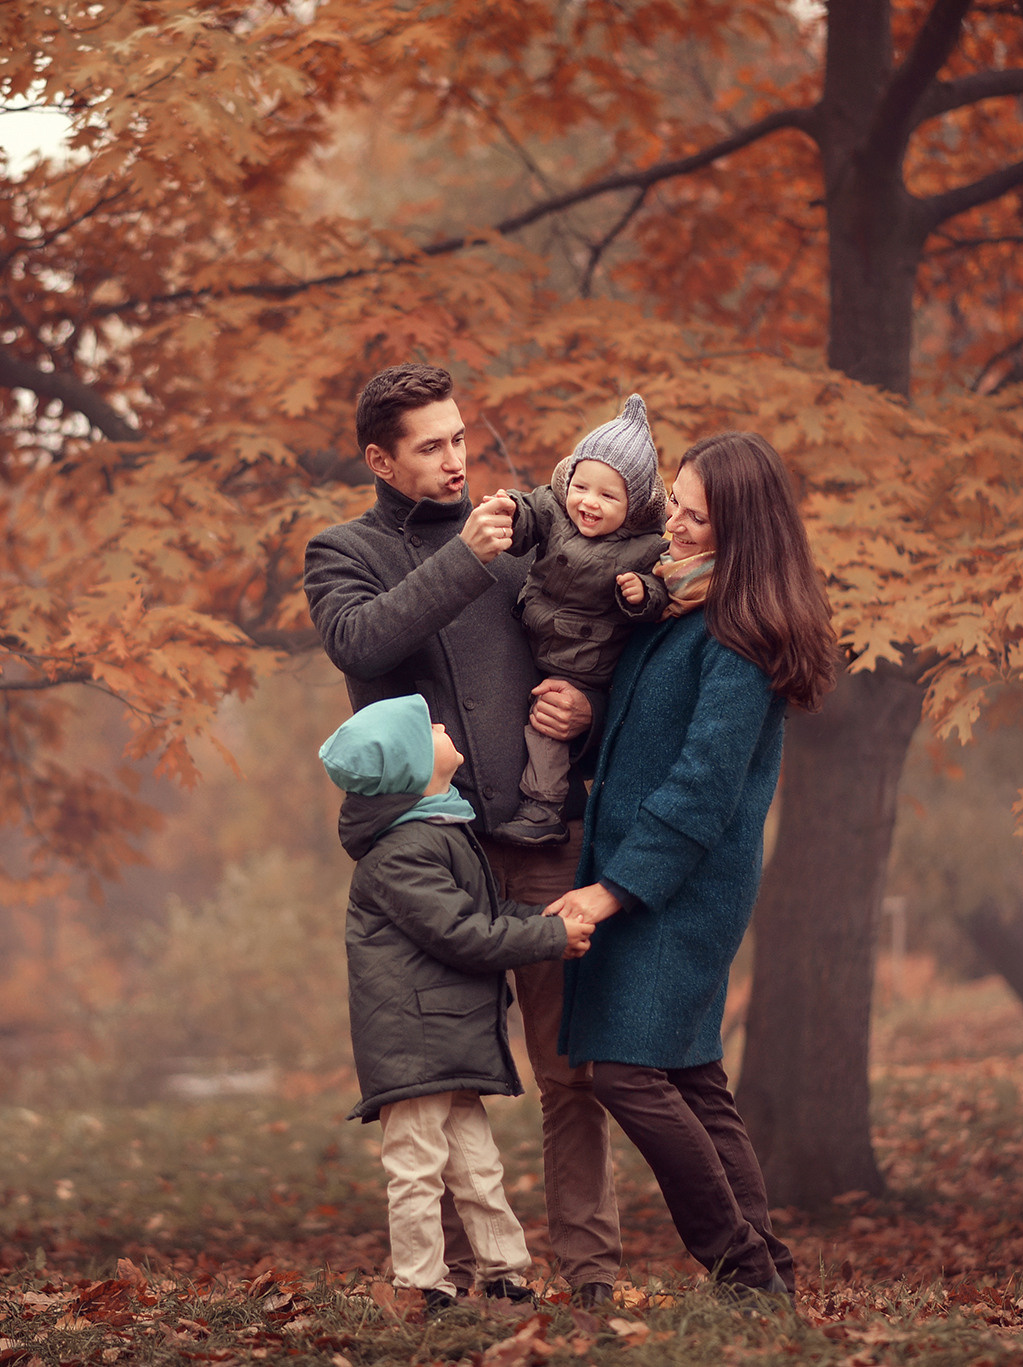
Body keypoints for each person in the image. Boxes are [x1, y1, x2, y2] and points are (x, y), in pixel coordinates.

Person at [304, 363, 624, 1307]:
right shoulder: (343, 550)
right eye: (431, 446)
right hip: (426, 847)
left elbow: (586, 647)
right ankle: (445, 1276)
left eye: (460, 439)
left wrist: (588, 711)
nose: (456, 461)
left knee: (570, 1068)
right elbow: (360, 643)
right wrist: (465, 560)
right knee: (436, 1073)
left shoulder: (532, 541)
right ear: (380, 459)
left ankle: (592, 1276)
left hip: (539, 837)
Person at [547, 431, 840, 1300]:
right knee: (690, 1077)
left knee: (628, 1073)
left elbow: (700, 788)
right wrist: (583, 720)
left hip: (680, 888)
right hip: (652, 874)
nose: (669, 523)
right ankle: (766, 1282)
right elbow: (645, 740)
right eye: (672, 502)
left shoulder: (738, 637)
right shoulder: (676, 608)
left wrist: (609, 891)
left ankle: (741, 1266)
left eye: (693, 515)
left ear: (741, 531)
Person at [320, 694, 592, 1316]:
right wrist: (551, 938)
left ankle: (505, 1273)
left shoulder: (437, 829)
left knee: (477, 1166)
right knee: (416, 1168)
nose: (443, 724)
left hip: (446, 1035)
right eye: (429, 728)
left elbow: (485, 916)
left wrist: (549, 917)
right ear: (412, 765)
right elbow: (461, 934)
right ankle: (423, 1283)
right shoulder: (401, 852)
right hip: (414, 1042)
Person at [489, 394, 671, 848]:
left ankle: (544, 809)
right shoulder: (555, 507)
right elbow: (532, 515)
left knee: (547, 725)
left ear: (635, 505)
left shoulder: (645, 547)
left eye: (609, 496)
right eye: (582, 487)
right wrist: (513, 510)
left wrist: (641, 594)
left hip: (583, 657)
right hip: (537, 626)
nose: (589, 503)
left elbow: (661, 594)